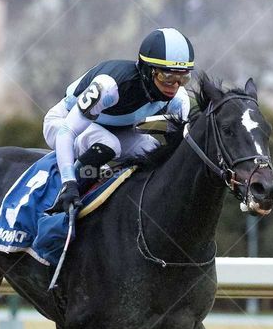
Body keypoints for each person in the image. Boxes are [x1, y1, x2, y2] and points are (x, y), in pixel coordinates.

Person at [43, 27, 194, 214]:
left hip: (116, 130)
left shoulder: (179, 100)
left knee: (153, 151)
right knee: (109, 144)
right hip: (63, 123)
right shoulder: (109, 87)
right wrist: (68, 181)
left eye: (183, 78)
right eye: (168, 77)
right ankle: (65, 200)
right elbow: (67, 131)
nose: (174, 86)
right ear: (148, 71)